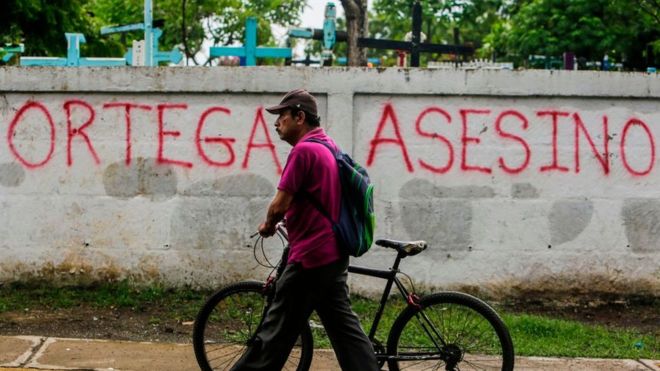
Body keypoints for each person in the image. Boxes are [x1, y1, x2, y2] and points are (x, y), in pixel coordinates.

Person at [231, 89, 379, 371]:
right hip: (333, 255)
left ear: (300, 117)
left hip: (311, 258)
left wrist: (268, 225)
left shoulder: (303, 152)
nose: (276, 123)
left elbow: (279, 205)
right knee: (346, 333)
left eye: (282, 116)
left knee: (273, 335)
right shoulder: (328, 146)